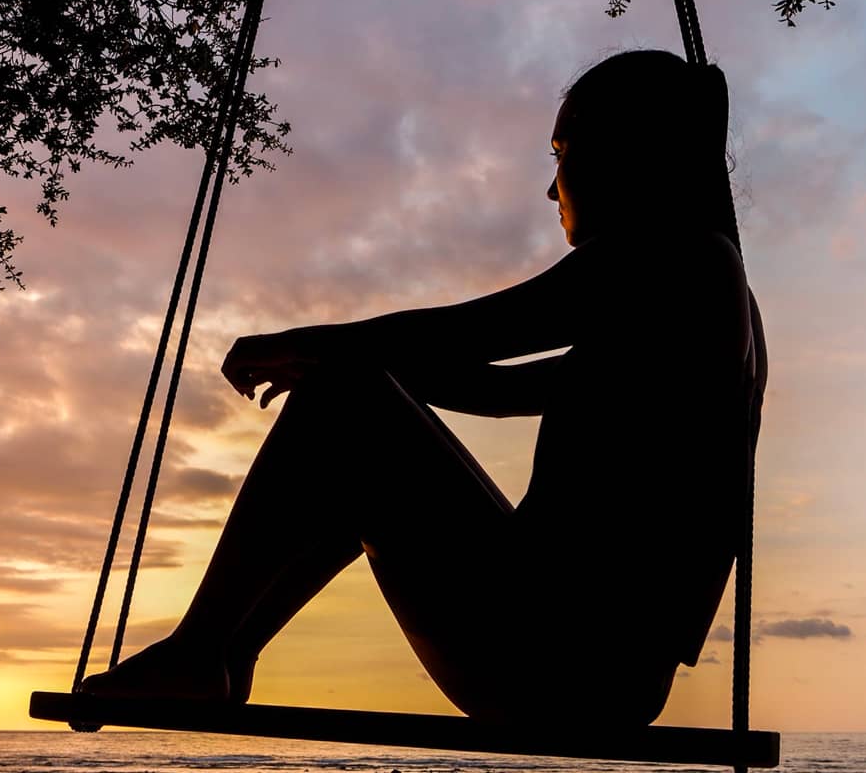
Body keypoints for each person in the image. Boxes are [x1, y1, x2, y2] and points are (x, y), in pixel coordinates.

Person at [81, 49, 768, 727]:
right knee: (354, 409)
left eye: (560, 151)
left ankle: (202, 651)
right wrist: (350, 363)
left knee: (345, 400)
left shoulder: (673, 259)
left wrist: (316, 349)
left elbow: (479, 331)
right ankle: (224, 656)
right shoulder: (701, 294)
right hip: (596, 671)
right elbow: (494, 388)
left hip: (555, 657)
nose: (551, 188)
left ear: (622, 148)